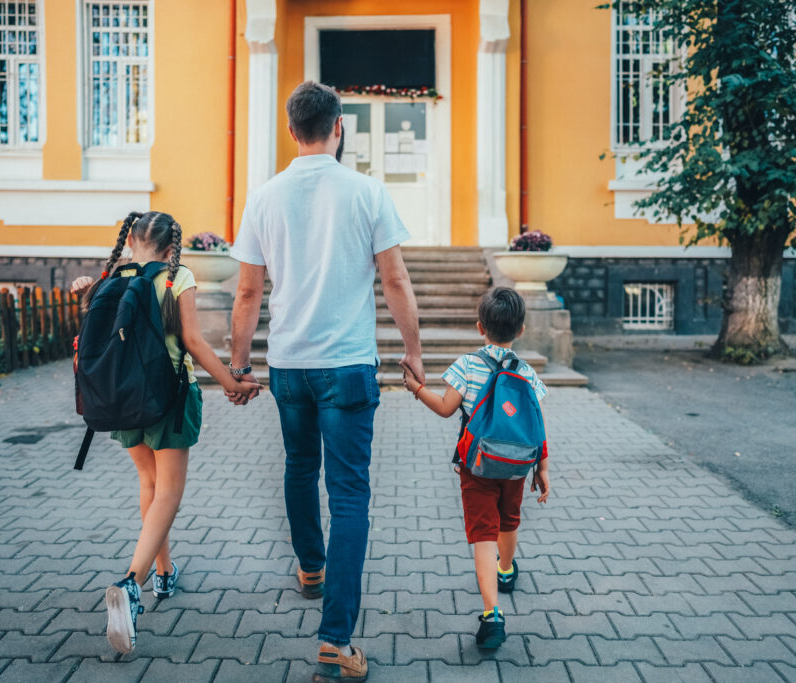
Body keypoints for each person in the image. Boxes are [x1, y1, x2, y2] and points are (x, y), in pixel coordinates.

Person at [227, 81, 422, 682]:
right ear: (339, 129)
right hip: (348, 366)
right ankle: (336, 642)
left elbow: (248, 291)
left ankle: (311, 567)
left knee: (298, 469)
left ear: (292, 131)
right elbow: (393, 282)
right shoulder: (367, 191)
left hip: (290, 364)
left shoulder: (263, 197)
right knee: (349, 494)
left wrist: (238, 365)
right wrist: (414, 352)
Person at [70, 211, 259, 655]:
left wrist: (84, 287)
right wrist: (232, 381)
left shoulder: (113, 277)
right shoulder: (177, 278)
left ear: (132, 238)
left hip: (123, 400)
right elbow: (192, 341)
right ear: (173, 247)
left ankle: (165, 572)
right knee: (169, 492)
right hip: (170, 400)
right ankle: (131, 585)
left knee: (149, 484)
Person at [403, 287, 550, 649]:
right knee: (509, 520)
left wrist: (417, 388)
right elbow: (537, 423)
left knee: (484, 535)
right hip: (517, 467)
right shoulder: (527, 372)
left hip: (477, 466)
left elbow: (445, 407)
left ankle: (492, 615)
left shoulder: (467, 365)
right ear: (522, 329)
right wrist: (542, 468)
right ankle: (506, 571)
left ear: (480, 327)